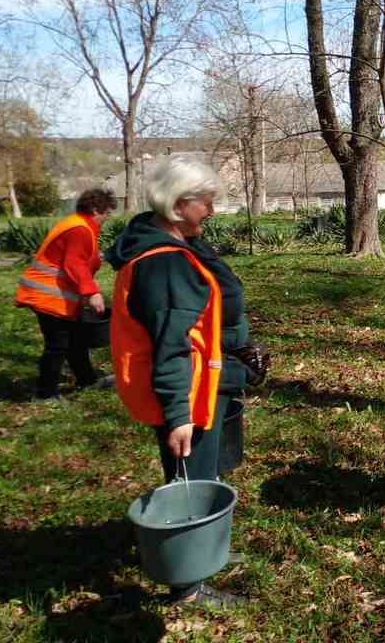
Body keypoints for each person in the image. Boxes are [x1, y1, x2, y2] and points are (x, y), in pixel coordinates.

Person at [106, 156, 266, 609]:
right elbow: (170, 347)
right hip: (187, 393)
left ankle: (207, 550)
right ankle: (187, 585)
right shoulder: (164, 265)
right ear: (179, 205)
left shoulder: (179, 247)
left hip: (205, 386)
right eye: (207, 202)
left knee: (205, 473)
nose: (213, 211)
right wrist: (178, 415)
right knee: (190, 481)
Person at [15, 187, 118, 401]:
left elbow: (78, 258)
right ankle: (46, 394)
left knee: (75, 340)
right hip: (48, 296)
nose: (108, 218)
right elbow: (75, 263)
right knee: (57, 345)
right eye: (107, 212)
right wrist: (92, 292)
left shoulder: (78, 225)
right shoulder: (79, 229)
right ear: (94, 209)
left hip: (56, 295)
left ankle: (87, 380)